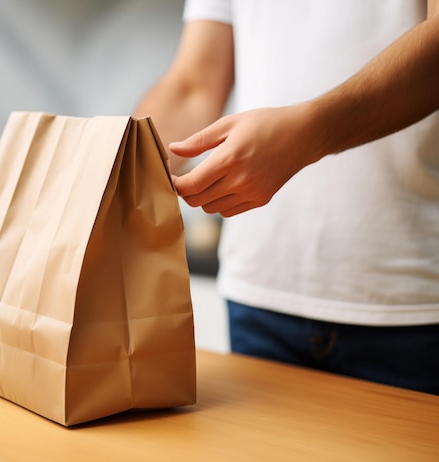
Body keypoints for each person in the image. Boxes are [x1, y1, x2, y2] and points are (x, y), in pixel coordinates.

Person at [134, 0, 439, 394]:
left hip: (409, 306)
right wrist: (118, 163)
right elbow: (193, 87)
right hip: (258, 298)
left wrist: (309, 134)